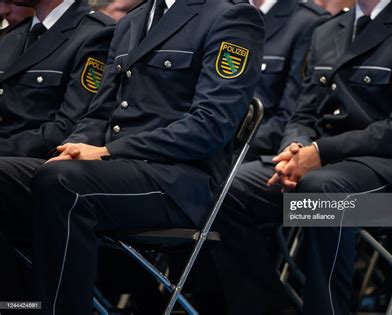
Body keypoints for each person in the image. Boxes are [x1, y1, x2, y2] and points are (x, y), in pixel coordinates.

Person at [0, 0, 265, 314]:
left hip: (178, 181)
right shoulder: (132, 20)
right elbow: (98, 114)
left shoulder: (230, 15)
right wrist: (72, 147)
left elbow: (210, 126)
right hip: (115, 170)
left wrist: (109, 151)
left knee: (62, 182)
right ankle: (18, 306)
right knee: (12, 175)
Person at [213, 0, 392, 314]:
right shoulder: (328, 29)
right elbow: (303, 113)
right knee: (225, 189)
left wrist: (320, 153)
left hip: (390, 176)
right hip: (318, 164)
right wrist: (295, 148)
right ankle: (268, 307)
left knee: (322, 191)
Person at [0, 0, 114, 301]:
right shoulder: (15, 35)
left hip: (47, 167)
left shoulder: (95, 35)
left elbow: (66, 129)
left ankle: (17, 304)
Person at [244, 0, 330, 161]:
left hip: (257, 149)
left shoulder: (308, 21)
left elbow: (289, 116)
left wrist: (229, 140)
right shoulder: (230, 12)